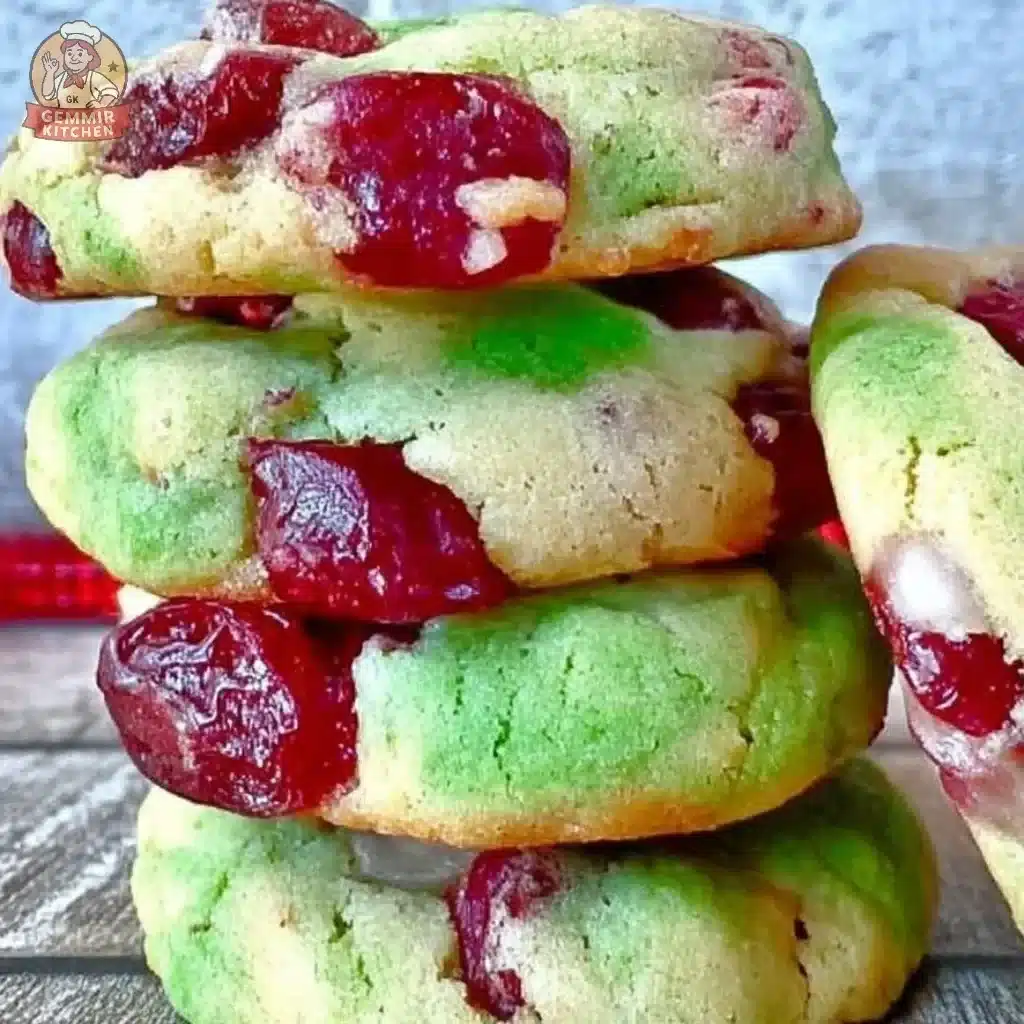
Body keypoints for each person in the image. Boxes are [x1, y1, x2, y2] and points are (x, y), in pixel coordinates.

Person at [39, 21, 120, 110]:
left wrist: (101, 103)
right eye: (69, 54)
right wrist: (50, 73)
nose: (74, 58)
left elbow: (111, 91)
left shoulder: (93, 77)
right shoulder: (63, 78)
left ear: (90, 57)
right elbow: (48, 95)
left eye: (80, 54)